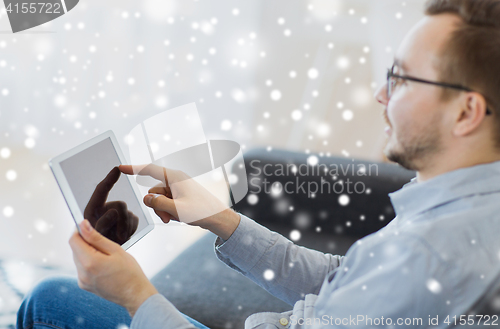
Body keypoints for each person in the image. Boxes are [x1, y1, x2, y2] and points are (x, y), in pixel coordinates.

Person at [16, 0, 500, 328]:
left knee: (48, 300)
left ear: (466, 112)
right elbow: (345, 281)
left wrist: (136, 296)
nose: (380, 94)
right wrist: (222, 220)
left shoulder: (433, 257)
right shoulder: (462, 204)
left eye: (402, 79)